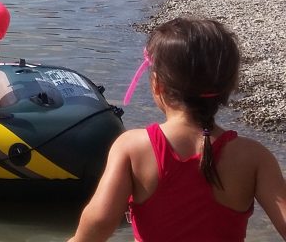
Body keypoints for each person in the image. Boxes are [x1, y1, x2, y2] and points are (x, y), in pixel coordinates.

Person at [69, 17, 286, 242]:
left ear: (157, 85)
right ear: (229, 87)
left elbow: (99, 223)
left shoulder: (133, 147)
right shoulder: (254, 157)